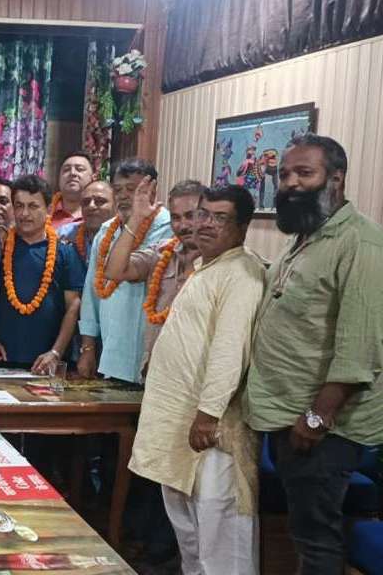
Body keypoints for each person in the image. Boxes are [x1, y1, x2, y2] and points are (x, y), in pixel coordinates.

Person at [244, 134, 383, 575]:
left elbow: (360, 345)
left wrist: (318, 416)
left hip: (325, 425)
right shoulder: (308, 234)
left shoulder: (362, 244)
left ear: (336, 178)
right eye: (285, 174)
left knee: (316, 537)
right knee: (302, 528)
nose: (290, 183)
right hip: (287, 411)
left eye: (304, 173)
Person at [130, 184, 264, 575]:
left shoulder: (242, 273)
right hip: (180, 425)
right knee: (190, 537)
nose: (205, 224)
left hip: (211, 431)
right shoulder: (206, 266)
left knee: (220, 538)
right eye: (203, 213)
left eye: (219, 218)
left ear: (243, 227)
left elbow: (230, 350)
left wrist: (208, 415)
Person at [77, 158, 172, 384]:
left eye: (132, 189)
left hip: (151, 355)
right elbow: (92, 293)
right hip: (112, 354)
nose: (123, 196)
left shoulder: (168, 228)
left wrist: (137, 219)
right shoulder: (106, 231)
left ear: (152, 189)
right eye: (118, 190)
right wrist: (88, 348)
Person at [0, 175, 83, 374]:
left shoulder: (66, 252)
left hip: (46, 363)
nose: (25, 213)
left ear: (49, 209)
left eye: (33, 206)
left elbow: (73, 306)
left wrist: (56, 352)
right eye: (19, 206)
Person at [103, 179, 204, 376]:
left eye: (190, 216)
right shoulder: (161, 253)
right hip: (154, 373)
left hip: (193, 374)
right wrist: (136, 219)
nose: (183, 225)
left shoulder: (218, 263)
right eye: (176, 217)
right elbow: (114, 271)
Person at [59, 180, 117, 274]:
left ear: (116, 205)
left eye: (100, 201)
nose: (91, 206)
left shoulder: (125, 237)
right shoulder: (65, 233)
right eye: (86, 202)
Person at [50, 151, 95, 229]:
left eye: (79, 169)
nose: (72, 173)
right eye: (66, 170)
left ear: (93, 178)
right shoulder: (44, 211)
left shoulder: (101, 213)